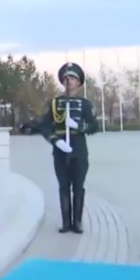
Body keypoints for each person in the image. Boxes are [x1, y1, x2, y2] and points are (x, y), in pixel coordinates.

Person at [40, 62, 98, 234]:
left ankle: (77, 222)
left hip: (79, 150)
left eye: (72, 78)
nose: (69, 81)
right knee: (63, 186)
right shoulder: (54, 103)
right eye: (66, 78)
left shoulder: (85, 104)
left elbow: (94, 127)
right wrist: (55, 141)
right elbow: (44, 126)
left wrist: (77, 126)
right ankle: (66, 223)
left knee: (78, 187)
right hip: (60, 150)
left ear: (78, 82)